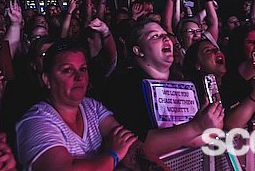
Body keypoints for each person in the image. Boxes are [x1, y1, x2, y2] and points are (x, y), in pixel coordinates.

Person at [16, 39, 142, 171]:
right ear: (47, 79)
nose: (79, 77)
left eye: (83, 69)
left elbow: (128, 146)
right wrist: (113, 155)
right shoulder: (35, 122)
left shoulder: (92, 107)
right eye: (67, 70)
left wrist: (149, 163)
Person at [104, 20, 224, 157]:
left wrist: (211, 124)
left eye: (165, 34)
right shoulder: (123, 85)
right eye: (155, 36)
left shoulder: (184, 84)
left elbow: (205, 135)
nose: (166, 38)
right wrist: (196, 127)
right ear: (139, 51)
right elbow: (139, 146)